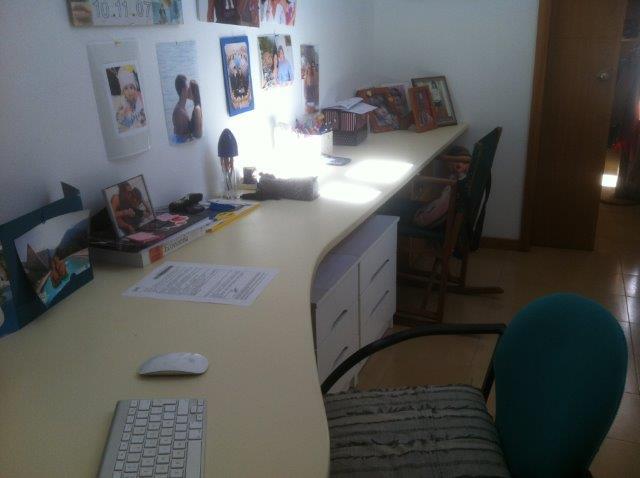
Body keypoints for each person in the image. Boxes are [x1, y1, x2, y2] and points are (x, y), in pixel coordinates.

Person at [115, 66, 146, 132]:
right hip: (131, 123)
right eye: (126, 88)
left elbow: (144, 111)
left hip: (141, 121)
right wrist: (122, 113)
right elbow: (118, 117)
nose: (129, 91)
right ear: (123, 92)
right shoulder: (123, 101)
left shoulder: (140, 97)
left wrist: (142, 118)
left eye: (131, 87)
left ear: (135, 89)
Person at [173, 74, 191, 143]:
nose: (189, 89)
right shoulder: (179, 112)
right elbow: (181, 140)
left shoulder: (181, 107)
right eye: (188, 87)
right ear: (183, 90)